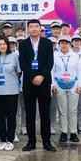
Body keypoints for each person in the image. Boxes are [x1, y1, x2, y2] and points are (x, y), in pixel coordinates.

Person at [18, 19, 56, 152]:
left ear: (40, 29)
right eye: (31, 27)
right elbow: (23, 63)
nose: (34, 29)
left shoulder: (47, 43)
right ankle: (31, 142)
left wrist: (41, 76)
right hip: (29, 83)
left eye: (36, 26)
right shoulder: (23, 44)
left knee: (45, 113)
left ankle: (47, 142)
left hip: (44, 82)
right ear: (28, 29)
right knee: (30, 113)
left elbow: (49, 62)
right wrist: (32, 77)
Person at [0, 36, 20, 151]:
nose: (2, 46)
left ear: (7, 45)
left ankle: (10, 140)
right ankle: (2, 140)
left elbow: (19, 72)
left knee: (11, 116)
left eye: (4, 44)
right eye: (0, 44)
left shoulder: (14, 56)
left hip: (11, 91)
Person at [51, 36, 81, 144]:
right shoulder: (55, 56)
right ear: (59, 44)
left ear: (70, 44)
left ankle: (73, 132)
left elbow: (79, 71)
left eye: (66, 43)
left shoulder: (75, 56)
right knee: (62, 110)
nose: (64, 45)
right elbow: (52, 71)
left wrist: (79, 85)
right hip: (59, 84)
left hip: (73, 85)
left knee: (73, 110)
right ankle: (63, 132)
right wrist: (53, 84)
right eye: (62, 43)